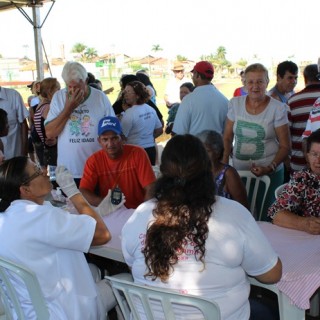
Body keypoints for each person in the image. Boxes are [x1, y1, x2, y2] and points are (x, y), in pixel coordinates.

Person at [122, 134, 282, 320]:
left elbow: (132, 262)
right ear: (208, 171)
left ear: (161, 173)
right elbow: (271, 274)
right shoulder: (233, 214)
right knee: (269, 308)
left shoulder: (141, 214)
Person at [0, 157, 119, 319]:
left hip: (24, 311)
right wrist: (73, 191)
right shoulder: (41, 217)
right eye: (37, 171)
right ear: (25, 190)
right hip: (64, 312)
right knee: (124, 280)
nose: (44, 171)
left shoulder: (5, 218)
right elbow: (102, 234)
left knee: (94, 270)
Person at [222, 63, 290, 221]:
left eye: (260, 81)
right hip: (239, 173)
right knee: (242, 216)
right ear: (244, 84)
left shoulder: (278, 108)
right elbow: (227, 137)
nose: (255, 86)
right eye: (250, 82)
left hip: (270, 173)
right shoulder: (235, 104)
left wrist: (270, 167)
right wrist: (224, 167)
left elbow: (286, 146)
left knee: (266, 217)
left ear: (267, 82)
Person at [45, 61, 115, 185]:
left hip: (97, 169)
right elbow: (50, 133)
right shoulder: (59, 97)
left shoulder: (100, 98)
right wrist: (68, 108)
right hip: (69, 172)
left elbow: (112, 130)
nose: (72, 90)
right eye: (68, 86)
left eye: (76, 86)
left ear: (86, 80)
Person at [79, 116, 156, 209]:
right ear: (99, 141)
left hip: (136, 210)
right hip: (111, 213)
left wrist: (143, 211)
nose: (110, 144)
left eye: (114, 138)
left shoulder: (138, 153)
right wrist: (107, 205)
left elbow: (151, 188)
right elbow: (84, 191)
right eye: (105, 139)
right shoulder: (93, 161)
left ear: (122, 138)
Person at [268, 129, 320, 234]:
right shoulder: (302, 179)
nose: (318, 161)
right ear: (308, 156)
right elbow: (275, 214)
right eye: (314, 154)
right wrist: (304, 224)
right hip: (308, 242)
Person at [172, 61, 228, 136]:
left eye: (193, 74)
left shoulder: (188, 100)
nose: (192, 77)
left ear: (197, 76)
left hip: (195, 146)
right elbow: (228, 132)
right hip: (217, 146)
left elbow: (179, 132)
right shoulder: (224, 100)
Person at [197, 130, 249, 209]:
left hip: (228, 218)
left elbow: (243, 207)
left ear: (217, 152)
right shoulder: (197, 171)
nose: (202, 155)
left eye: (207, 151)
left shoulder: (228, 174)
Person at [287, 64, 320, 172]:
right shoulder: (316, 103)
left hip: (298, 162)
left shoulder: (292, 100)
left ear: (305, 79)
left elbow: (286, 134)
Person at [121, 81, 163, 165]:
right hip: (151, 150)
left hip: (134, 151)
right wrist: (148, 138)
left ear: (137, 95)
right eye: (125, 92)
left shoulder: (129, 113)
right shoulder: (150, 109)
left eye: (129, 92)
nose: (125, 95)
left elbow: (122, 137)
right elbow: (159, 130)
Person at [34, 77, 61, 167]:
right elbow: (53, 126)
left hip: (45, 149)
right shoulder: (48, 107)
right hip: (52, 150)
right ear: (50, 91)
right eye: (58, 90)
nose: (60, 93)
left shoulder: (40, 105)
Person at [0, 86, 29, 159]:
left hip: (15, 156)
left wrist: (24, 154)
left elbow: (23, 123)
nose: (8, 126)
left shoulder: (13, 95)